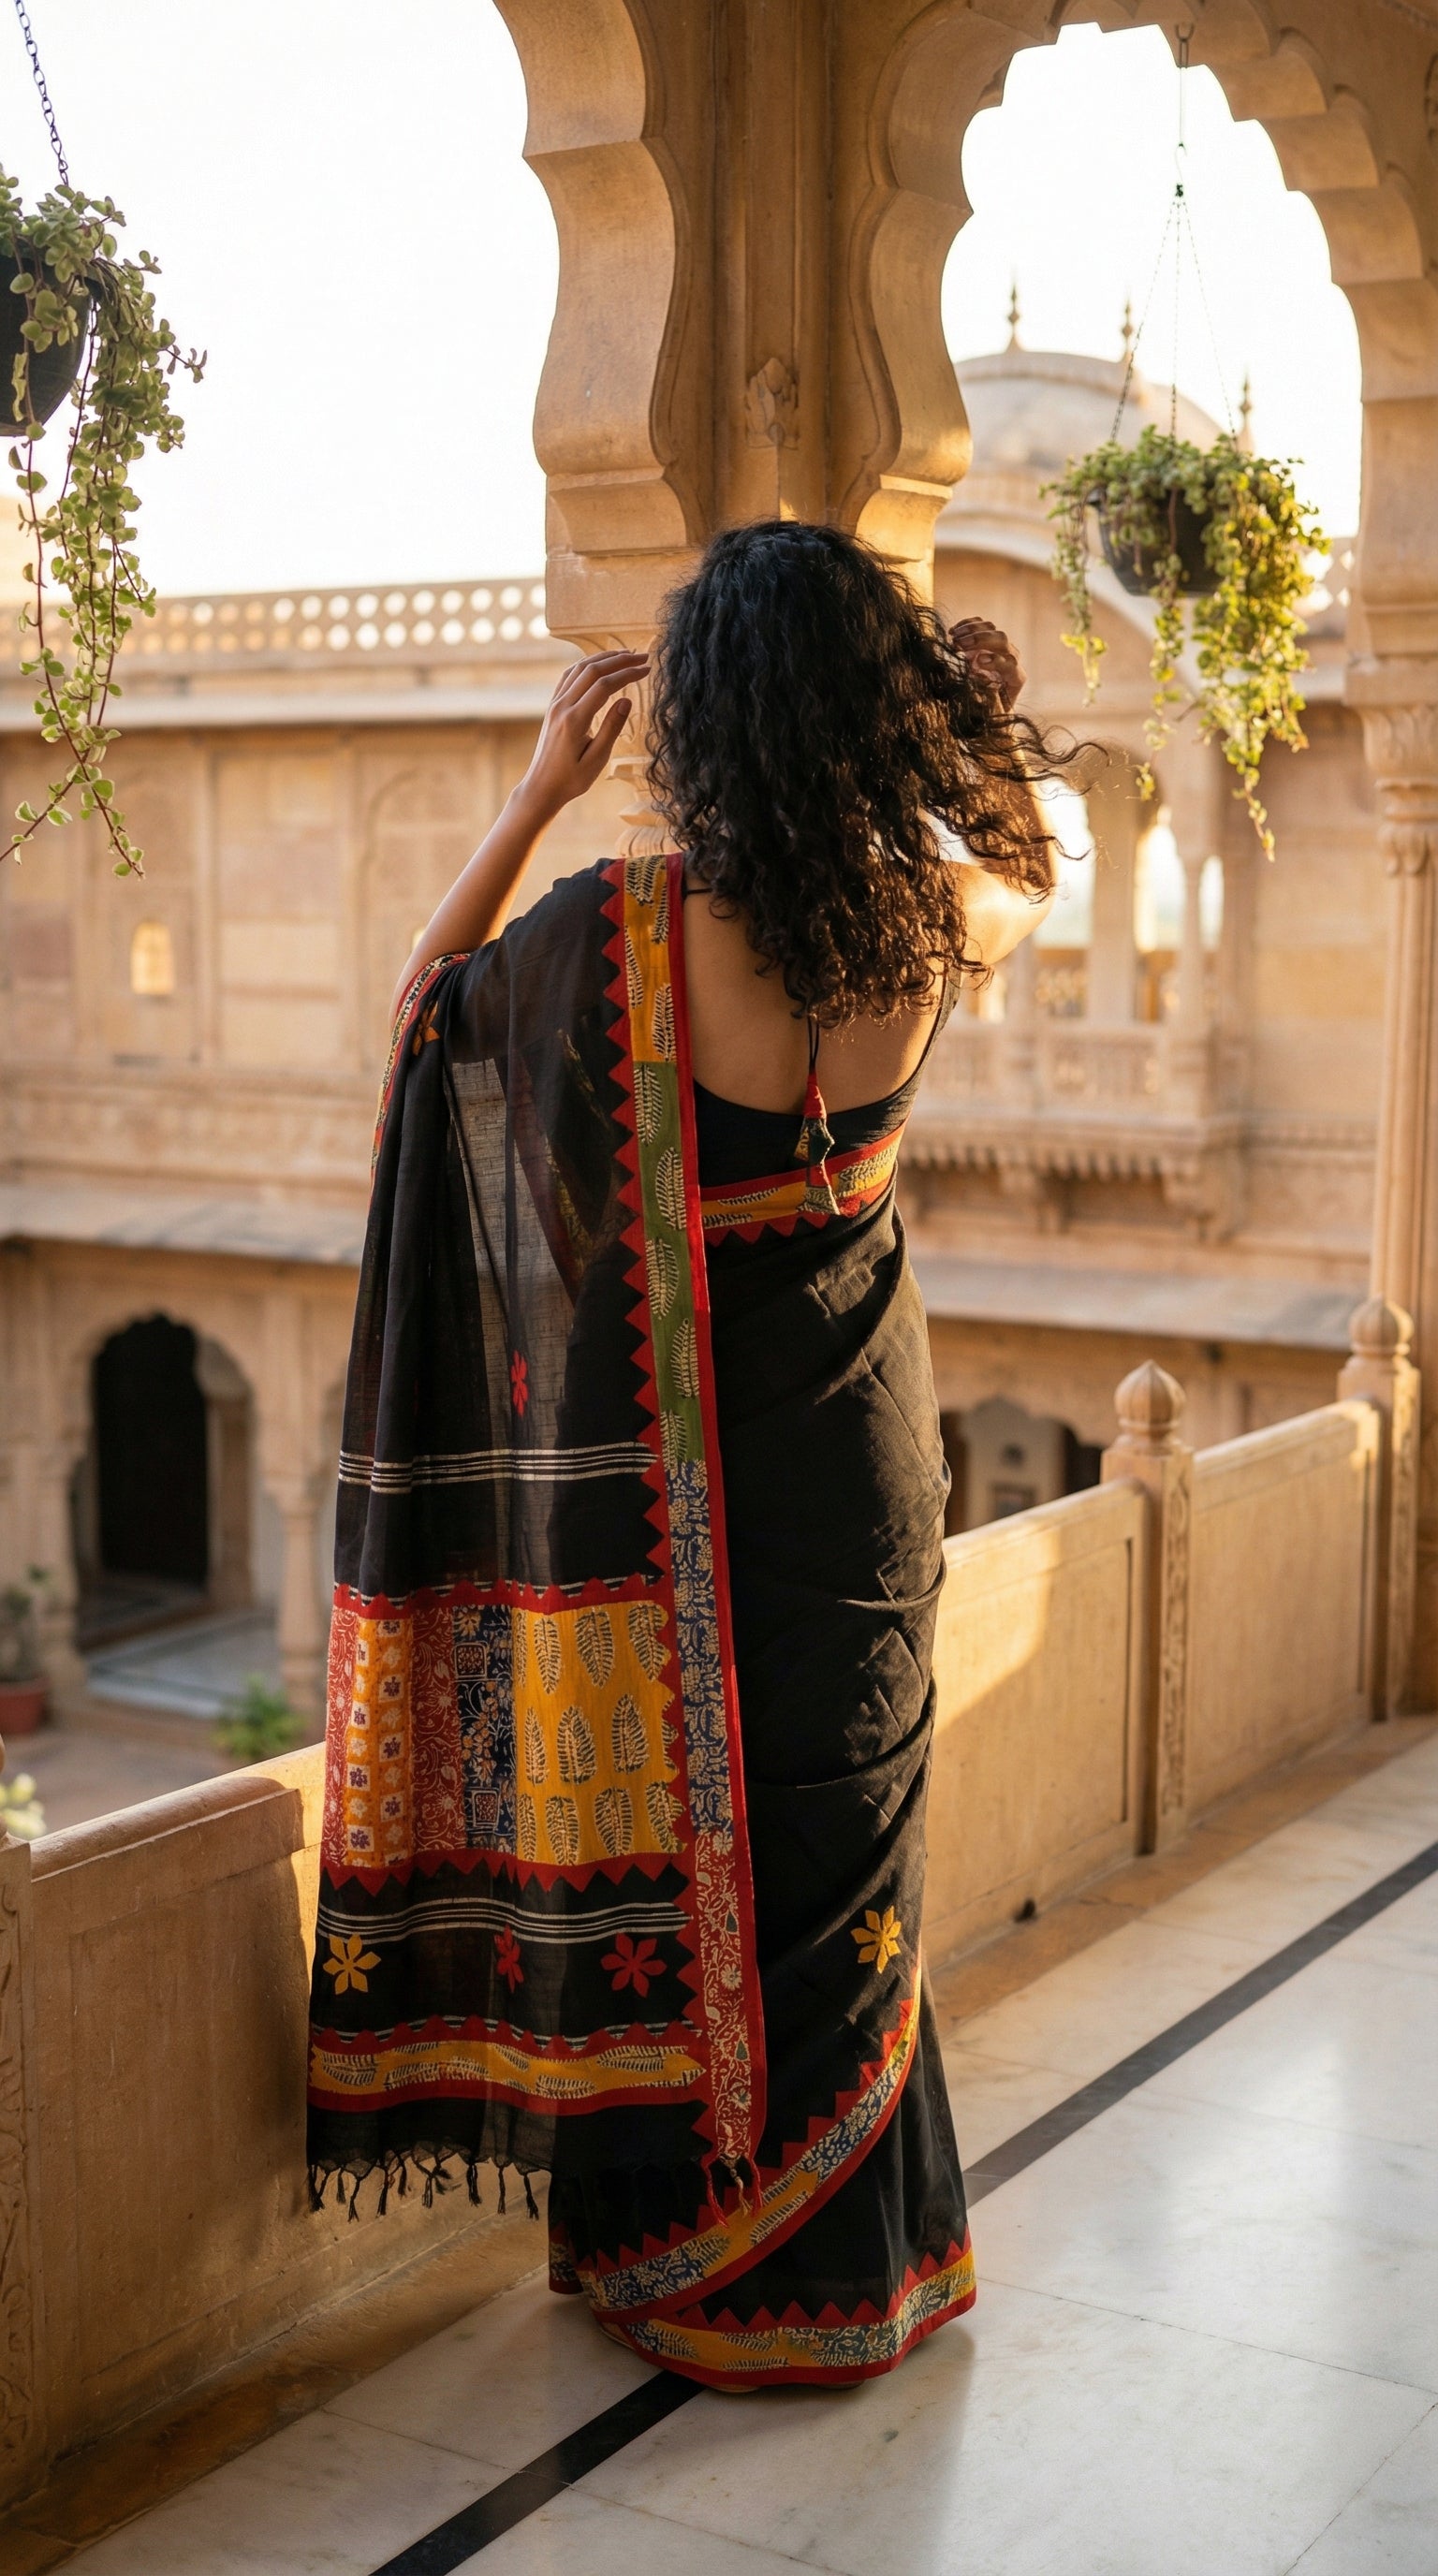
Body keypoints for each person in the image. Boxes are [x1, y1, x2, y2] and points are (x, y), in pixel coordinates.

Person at [306, 520, 1072, 2390]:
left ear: (703, 725)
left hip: (683, 1507)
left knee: (707, 1839)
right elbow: (1037, 869)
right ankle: (851, 2270)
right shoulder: (929, 917)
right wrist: (969, 733)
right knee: (844, 1844)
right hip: (876, 1462)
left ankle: (697, 2270)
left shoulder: (628, 933)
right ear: (860, 717)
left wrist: (534, 789)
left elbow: (423, 1022)